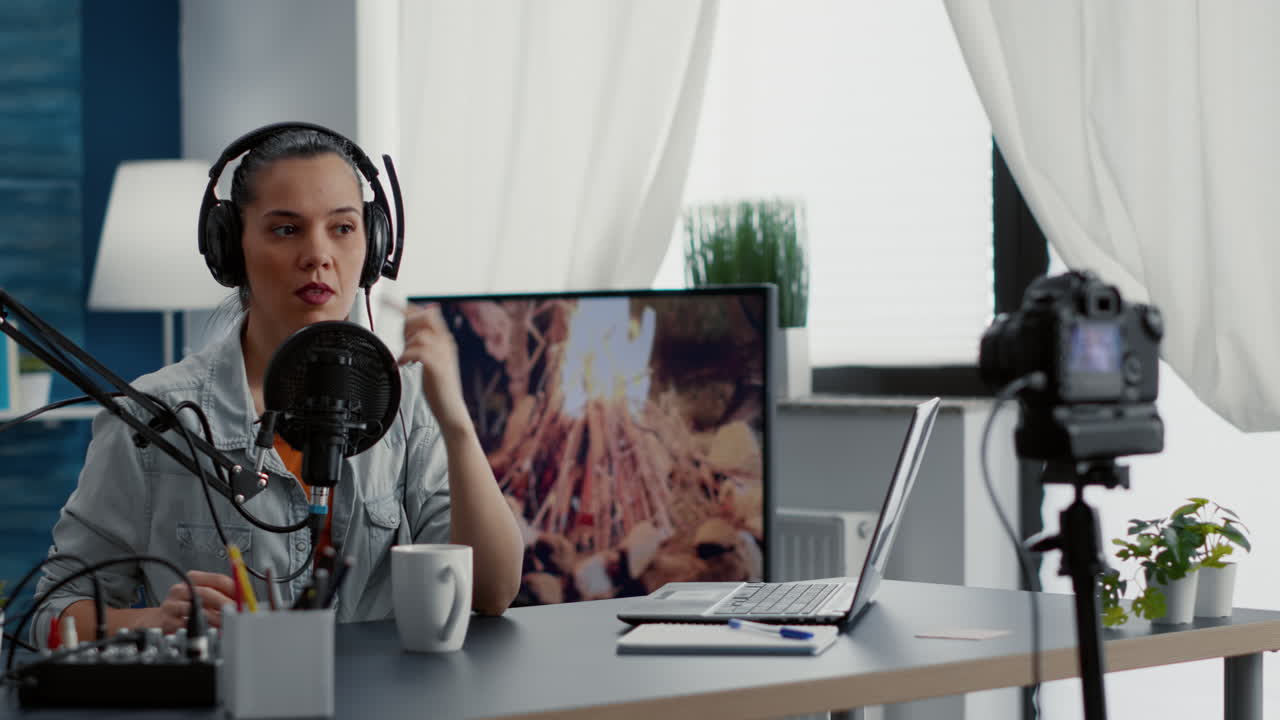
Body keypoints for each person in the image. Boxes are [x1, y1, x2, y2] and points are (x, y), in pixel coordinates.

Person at [33, 124, 523, 641]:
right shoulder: (154, 415)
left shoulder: (406, 402)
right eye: (286, 230)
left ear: (374, 245)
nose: (318, 255)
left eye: (342, 227)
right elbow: (49, 611)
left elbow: (491, 592)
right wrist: (154, 621)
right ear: (230, 249)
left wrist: (457, 423)